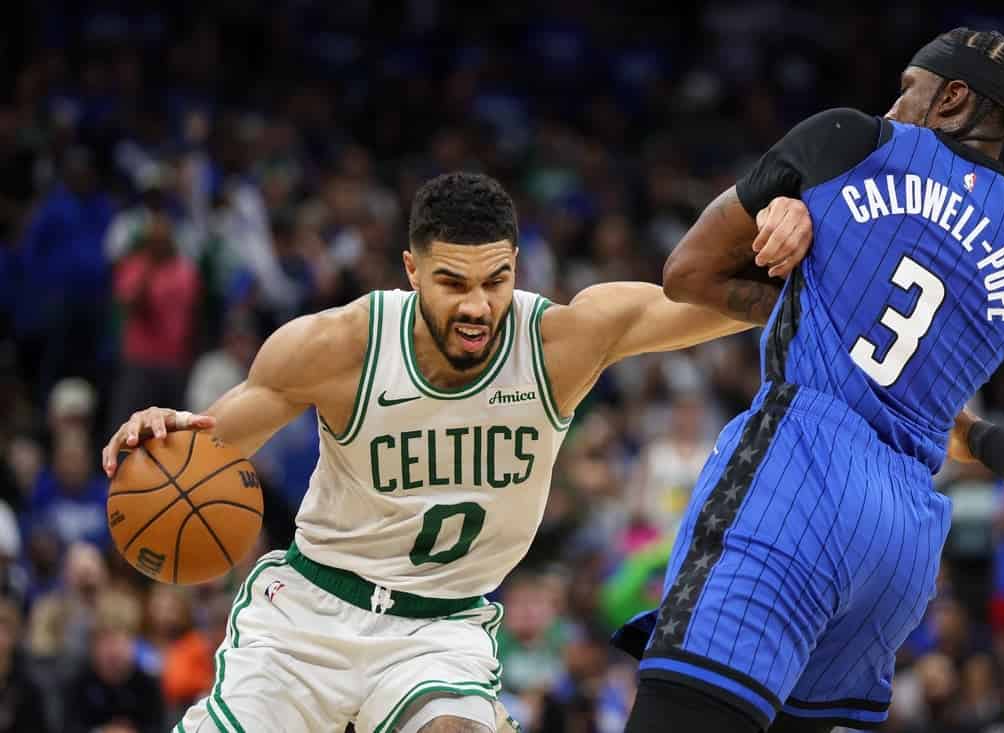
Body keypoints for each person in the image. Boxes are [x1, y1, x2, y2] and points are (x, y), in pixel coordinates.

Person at [100, 172, 813, 733]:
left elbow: (728, 298)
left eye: (495, 279)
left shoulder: (558, 344)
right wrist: (166, 431)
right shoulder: (339, 346)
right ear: (411, 269)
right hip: (310, 613)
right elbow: (211, 446)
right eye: (452, 282)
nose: (477, 305)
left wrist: (803, 234)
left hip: (439, 627)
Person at [617, 28, 1004, 733]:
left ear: (952, 97)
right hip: (902, 536)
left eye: (908, 89)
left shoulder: (851, 138)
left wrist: (805, 284)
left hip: (800, 468)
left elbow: (686, 274)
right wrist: (977, 437)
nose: (894, 104)